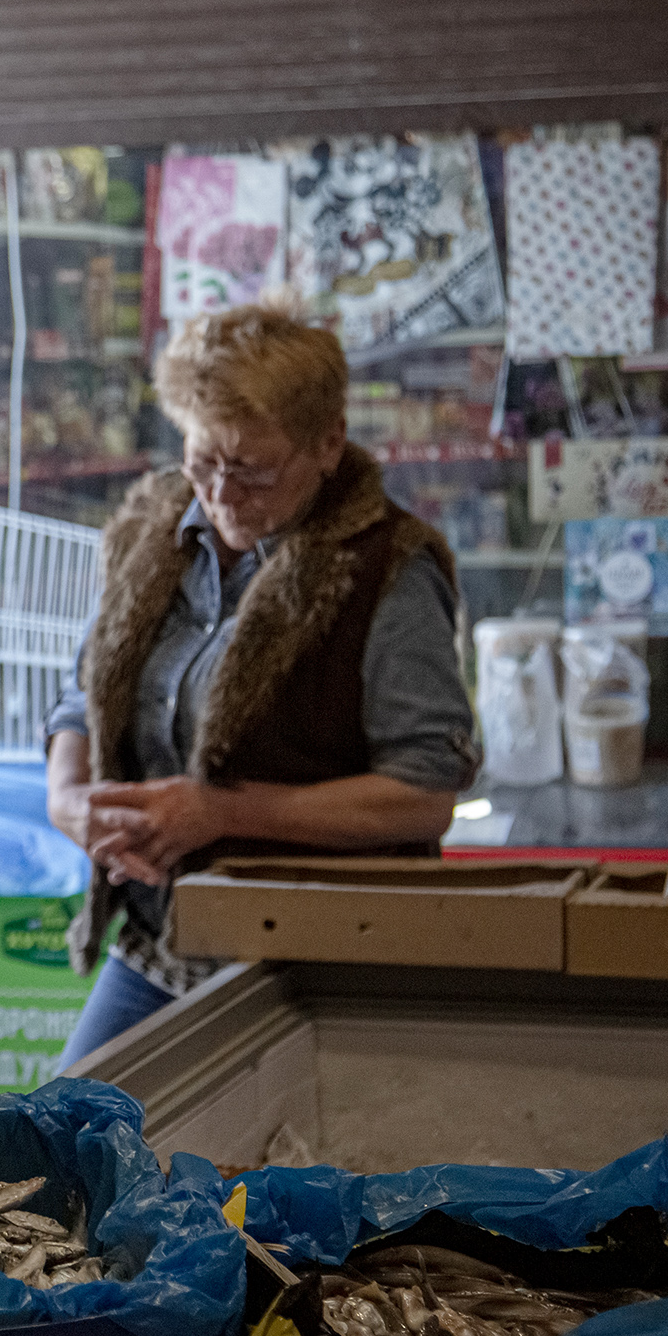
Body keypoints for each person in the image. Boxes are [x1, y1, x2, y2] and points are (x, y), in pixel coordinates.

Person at [45, 303, 476, 1074]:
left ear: (328, 444)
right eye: (203, 459)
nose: (221, 492)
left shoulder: (388, 572)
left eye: (253, 469)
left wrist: (223, 813)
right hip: (162, 946)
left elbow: (424, 792)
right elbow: (83, 696)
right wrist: (70, 798)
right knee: (67, 1153)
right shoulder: (152, 531)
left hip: (319, 964)